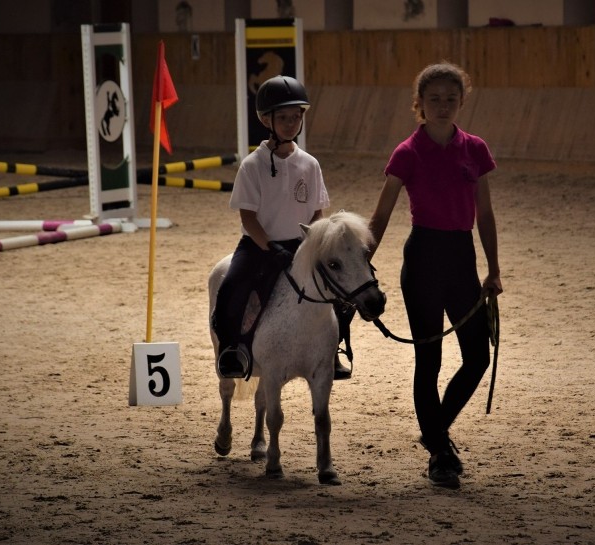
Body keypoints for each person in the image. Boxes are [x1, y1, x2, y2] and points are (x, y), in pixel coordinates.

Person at [368, 62, 503, 489]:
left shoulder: (475, 149)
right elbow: (383, 213)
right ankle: (441, 454)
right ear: (420, 105)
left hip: (462, 257)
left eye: (450, 98)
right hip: (423, 257)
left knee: (477, 357)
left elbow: (484, 213)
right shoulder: (406, 153)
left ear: (461, 101)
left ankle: (434, 431)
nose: (442, 106)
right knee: (429, 359)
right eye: (434, 99)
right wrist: (362, 261)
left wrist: (494, 268)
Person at [212, 75, 354, 381]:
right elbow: (248, 217)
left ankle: (335, 350)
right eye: (283, 118)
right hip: (259, 246)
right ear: (266, 119)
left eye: (296, 117)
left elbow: (317, 211)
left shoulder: (310, 164)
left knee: (345, 291)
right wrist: (269, 247)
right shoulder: (252, 165)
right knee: (231, 290)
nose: (291, 124)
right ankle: (232, 349)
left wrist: (315, 244)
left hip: (301, 244)